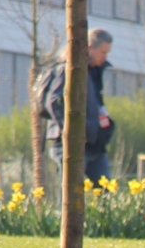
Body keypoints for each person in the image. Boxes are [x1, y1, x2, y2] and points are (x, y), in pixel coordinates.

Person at [40, 28, 115, 184]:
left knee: (106, 191)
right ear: (89, 48)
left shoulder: (94, 71)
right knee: (71, 195)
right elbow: (53, 101)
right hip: (71, 143)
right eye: (103, 52)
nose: (105, 57)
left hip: (94, 143)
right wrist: (72, 131)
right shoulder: (69, 68)